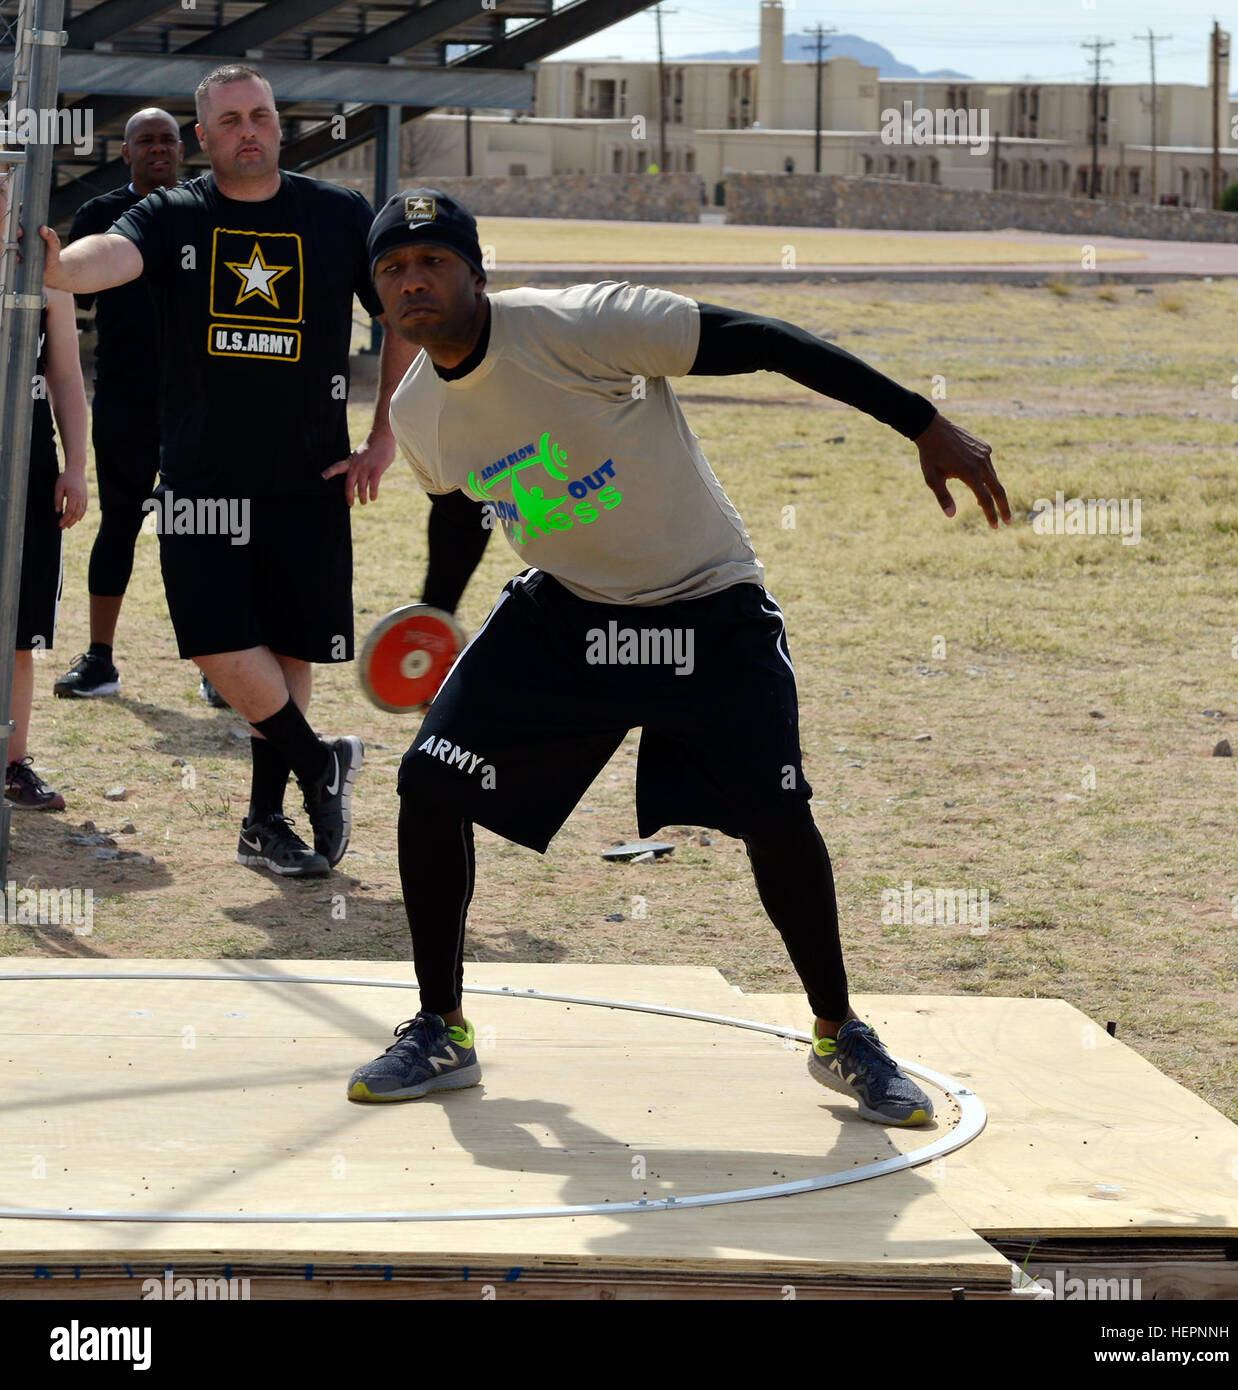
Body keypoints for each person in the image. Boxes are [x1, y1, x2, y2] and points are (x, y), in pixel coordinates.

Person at [347, 188, 1013, 1123]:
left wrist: (920, 422)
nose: (414, 282)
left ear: (474, 271)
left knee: (778, 818)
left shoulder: (583, 324)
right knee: (430, 782)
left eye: (434, 263)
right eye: (392, 271)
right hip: (568, 614)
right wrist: (436, 620)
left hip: (707, 606)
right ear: (377, 295)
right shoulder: (418, 410)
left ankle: (839, 1032)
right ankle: (440, 1027)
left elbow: (765, 339)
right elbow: (460, 503)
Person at [37, 65, 419, 877]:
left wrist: (385, 434)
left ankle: (266, 822)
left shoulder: (337, 213)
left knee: (290, 648)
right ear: (202, 139)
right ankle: (322, 763)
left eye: (262, 116)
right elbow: (113, 255)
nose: (249, 130)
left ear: (278, 125)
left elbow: (400, 320)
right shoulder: (175, 212)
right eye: (230, 121)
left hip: (310, 473)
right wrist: (61, 269)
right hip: (203, 476)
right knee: (214, 644)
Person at [52, 108, 200, 701]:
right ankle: (100, 660)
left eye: (168, 139)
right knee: (118, 525)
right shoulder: (97, 216)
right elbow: (68, 301)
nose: (158, 149)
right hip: (126, 400)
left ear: (183, 148)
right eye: (146, 141)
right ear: (125, 152)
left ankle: (221, 666)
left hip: (198, 404)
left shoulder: (206, 210)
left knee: (204, 534)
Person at [2, 177, 89, 811]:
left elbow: (64, 373)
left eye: (5, 180)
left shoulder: (42, 266)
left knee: (20, 626)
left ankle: (12, 763)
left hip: (28, 462)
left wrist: (76, 466)